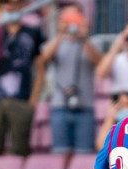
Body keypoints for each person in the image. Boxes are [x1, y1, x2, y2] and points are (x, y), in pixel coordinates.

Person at [0, 0, 45, 156]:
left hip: (21, 97)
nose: (10, 7)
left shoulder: (32, 32)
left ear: (21, 7)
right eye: (6, 4)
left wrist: (34, 99)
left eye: (14, 4)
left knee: (20, 148)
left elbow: (41, 67)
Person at [40, 2, 101, 157]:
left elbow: (99, 62)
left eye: (75, 17)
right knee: (60, 153)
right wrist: (61, 33)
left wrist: (83, 37)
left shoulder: (92, 43)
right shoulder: (57, 43)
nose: (71, 22)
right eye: (67, 18)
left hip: (85, 104)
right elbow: (44, 58)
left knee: (85, 153)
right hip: (60, 104)